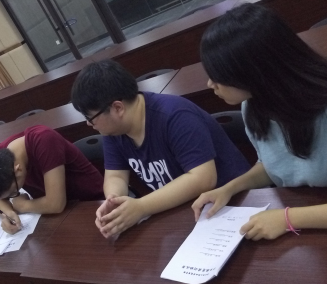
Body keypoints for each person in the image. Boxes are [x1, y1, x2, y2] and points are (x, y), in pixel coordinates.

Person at [192, 3, 327, 240]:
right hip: (314, 223)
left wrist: (288, 219)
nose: (210, 84)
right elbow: (275, 165)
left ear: (253, 72)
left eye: (217, 75)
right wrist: (230, 188)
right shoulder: (253, 105)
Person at [70, 59, 250, 240]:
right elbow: (116, 175)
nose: (89, 124)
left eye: (90, 117)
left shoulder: (174, 116)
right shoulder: (114, 130)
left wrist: (141, 206)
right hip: (185, 211)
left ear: (118, 108)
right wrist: (114, 201)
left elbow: (203, 178)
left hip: (235, 203)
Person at [0, 125, 105, 234]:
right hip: (60, 214)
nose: (13, 196)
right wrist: (8, 213)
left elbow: (55, 204)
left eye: (14, 192)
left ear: (18, 170)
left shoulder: (44, 139)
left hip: (91, 203)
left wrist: (22, 206)